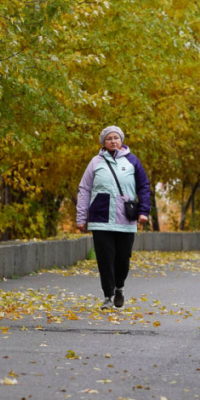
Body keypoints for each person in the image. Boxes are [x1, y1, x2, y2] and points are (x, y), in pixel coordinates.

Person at [77, 126, 151, 309]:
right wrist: (81, 217)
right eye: (109, 138)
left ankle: (119, 288)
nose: (113, 141)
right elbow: (84, 189)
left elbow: (144, 187)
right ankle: (108, 296)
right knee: (105, 259)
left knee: (122, 258)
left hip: (125, 219)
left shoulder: (132, 161)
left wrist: (144, 211)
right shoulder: (95, 162)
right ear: (104, 142)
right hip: (100, 219)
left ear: (122, 140)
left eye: (116, 138)